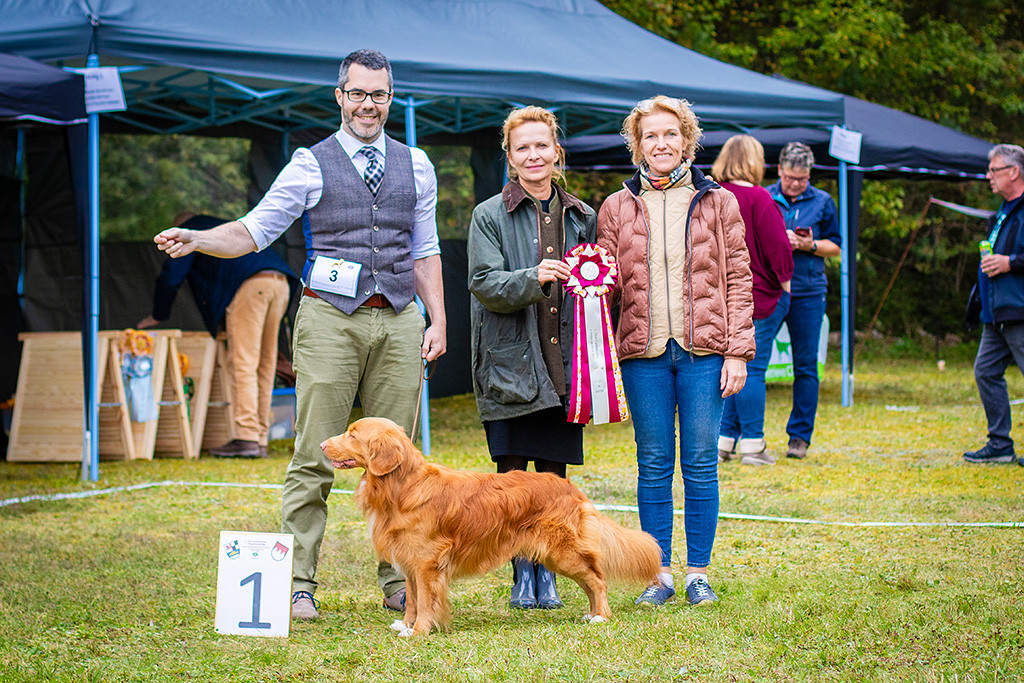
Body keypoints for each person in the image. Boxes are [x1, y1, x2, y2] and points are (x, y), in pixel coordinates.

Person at [153, 49, 447, 619]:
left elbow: (425, 250)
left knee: (399, 461)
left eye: (379, 94)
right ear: (339, 96)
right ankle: (299, 582)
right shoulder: (309, 162)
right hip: (328, 318)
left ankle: (399, 580)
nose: (369, 104)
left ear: (391, 98)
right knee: (316, 452)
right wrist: (197, 241)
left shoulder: (418, 164)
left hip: (401, 319)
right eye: (358, 94)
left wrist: (436, 319)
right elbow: (255, 231)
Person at [596, 96, 754, 607]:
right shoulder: (616, 206)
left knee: (703, 461)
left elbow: (738, 279)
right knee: (654, 461)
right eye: (649, 136)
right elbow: (603, 290)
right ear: (636, 144)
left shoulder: (719, 202)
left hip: (705, 352)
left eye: (670, 134)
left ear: (686, 139)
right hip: (643, 354)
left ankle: (698, 574)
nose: (660, 144)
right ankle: (658, 573)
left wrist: (737, 351)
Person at [467, 106, 597, 610]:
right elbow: (482, 283)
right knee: (511, 476)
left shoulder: (583, 214)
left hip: (565, 361)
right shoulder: (488, 215)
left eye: (542, 145)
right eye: (523, 147)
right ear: (509, 157)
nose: (534, 154)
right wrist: (533, 276)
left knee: (555, 476)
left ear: (556, 151)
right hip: (511, 363)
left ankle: (551, 568)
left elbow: (600, 283)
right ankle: (520, 570)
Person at [138, 212, 298, 458]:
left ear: (179, 224)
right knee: (266, 363)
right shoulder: (219, 225)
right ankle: (260, 436)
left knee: (243, 361)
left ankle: (246, 437)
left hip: (250, 285)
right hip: (281, 283)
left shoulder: (191, 231)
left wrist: (159, 313)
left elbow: (172, 276)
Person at [714, 136, 794, 466]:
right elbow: (778, 247)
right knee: (751, 369)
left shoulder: (711, 195)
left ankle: (724, 440)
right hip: (758, 296)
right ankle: (753, 444)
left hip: (718, 298)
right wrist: (786, 283)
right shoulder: (759, 198)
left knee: (731, 368)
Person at [767, 142, 841, 461]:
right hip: (769, 287)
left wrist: (809, 245)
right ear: (780, 170)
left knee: (806, 365)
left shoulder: (823, 201)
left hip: (808, 290)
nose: (797, 184)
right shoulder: (765, 198)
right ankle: (733, 432)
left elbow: (836, 247)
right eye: (791, 178)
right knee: (749, 360)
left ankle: (799, 437)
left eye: (803, 179)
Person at [964, 144, 1024, 465]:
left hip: (1020, 309)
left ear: (1013, 172)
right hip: (996, 311)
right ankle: (1000, 444)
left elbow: (1014, 259)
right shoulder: (1002, 212)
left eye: (994, 170)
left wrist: (1010, 263)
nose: (988, 176)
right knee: (986, 371)